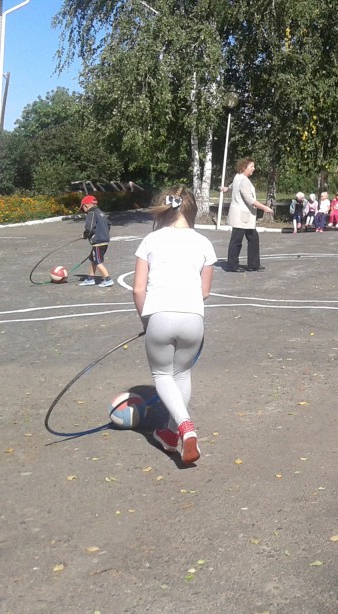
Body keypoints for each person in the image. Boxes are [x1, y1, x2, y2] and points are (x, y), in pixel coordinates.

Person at [132, 185, 217, 464]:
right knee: (181, 374)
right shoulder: (204, 243)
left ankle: (185, 427)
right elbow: (205, 291)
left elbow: (138, 289)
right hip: (193, 318)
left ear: (163, 210)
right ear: (191, 212)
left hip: (160, 315)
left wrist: (146, 320)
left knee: (162, 374)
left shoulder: (150, 241)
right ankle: (170, 434)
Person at [225, 157, 273, 272]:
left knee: (253, 238)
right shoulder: (244, 180)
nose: (253, 168)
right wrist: (265, 208)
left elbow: (232, 186)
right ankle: (233, 265)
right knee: (237, 241)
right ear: (244, 167)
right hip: (241, 217)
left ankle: (253, 264)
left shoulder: (238, 177)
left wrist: (226, 189)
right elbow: (250, 200)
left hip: (244, 216)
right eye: (251, 166)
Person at [79, 195, 113, 287]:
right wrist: (104, 234)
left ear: (86, 206)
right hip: (104, 240)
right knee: (92, 258)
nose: (83, 210)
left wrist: (85, 235)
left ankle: (108, 279)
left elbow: (89, 228)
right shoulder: (101, 213)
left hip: (98, 242)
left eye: (83, 208)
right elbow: (108, 225)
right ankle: (90, 278)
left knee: (97, 261)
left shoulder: (91, 213)